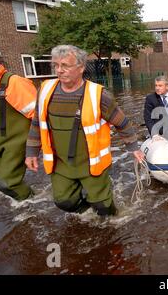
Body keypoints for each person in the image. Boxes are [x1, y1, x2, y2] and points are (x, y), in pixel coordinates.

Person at [25, 45, 144, 216]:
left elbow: (122, 122)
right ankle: (86, 212)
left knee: (103, 207)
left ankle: (112, 222)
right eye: (56, 65)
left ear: (81, 67)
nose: (59, 70)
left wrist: (133, 148)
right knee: (64, 202)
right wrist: (31, 151)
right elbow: (37, 122)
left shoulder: (98, 94)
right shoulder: (44, 90)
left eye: (65, 65)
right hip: (60, 162)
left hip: (91, 164)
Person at [0, 45, 37, 200]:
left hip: (15, 144)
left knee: (6, 183)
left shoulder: (14, 82)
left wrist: (37, 146)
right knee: (10, 184)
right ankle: (31, 203)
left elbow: (38, 116)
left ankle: (32, 204)